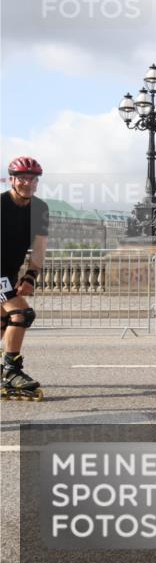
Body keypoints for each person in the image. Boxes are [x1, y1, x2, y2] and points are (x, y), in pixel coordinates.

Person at [1, 157, 49, 401]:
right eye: (22, 178)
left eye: (32, 179)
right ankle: (11, 371)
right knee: (21, 314)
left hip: (8, 272)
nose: (27, 183)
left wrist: (30, 275)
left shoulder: (40, 209)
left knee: (2, 320)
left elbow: (39, 248)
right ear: (11, 179)